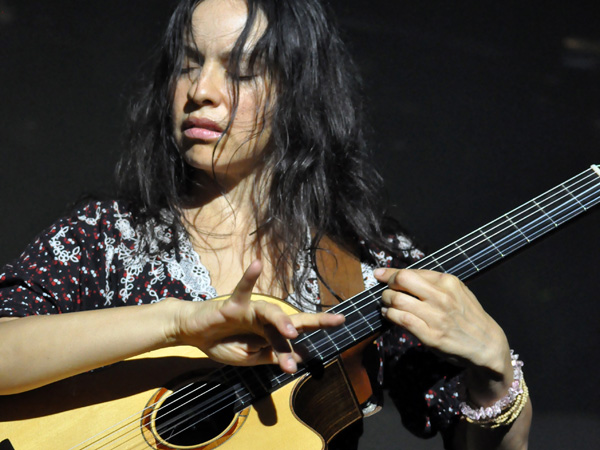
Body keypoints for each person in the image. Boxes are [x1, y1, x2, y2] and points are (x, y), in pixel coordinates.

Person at [0, 0, 531, 448]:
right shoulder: (106, 235)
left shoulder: (372, 262)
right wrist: (177, 323)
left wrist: (494, 373)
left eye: (241, 70)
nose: (200, 90)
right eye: (188, 64)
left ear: (299, 90)